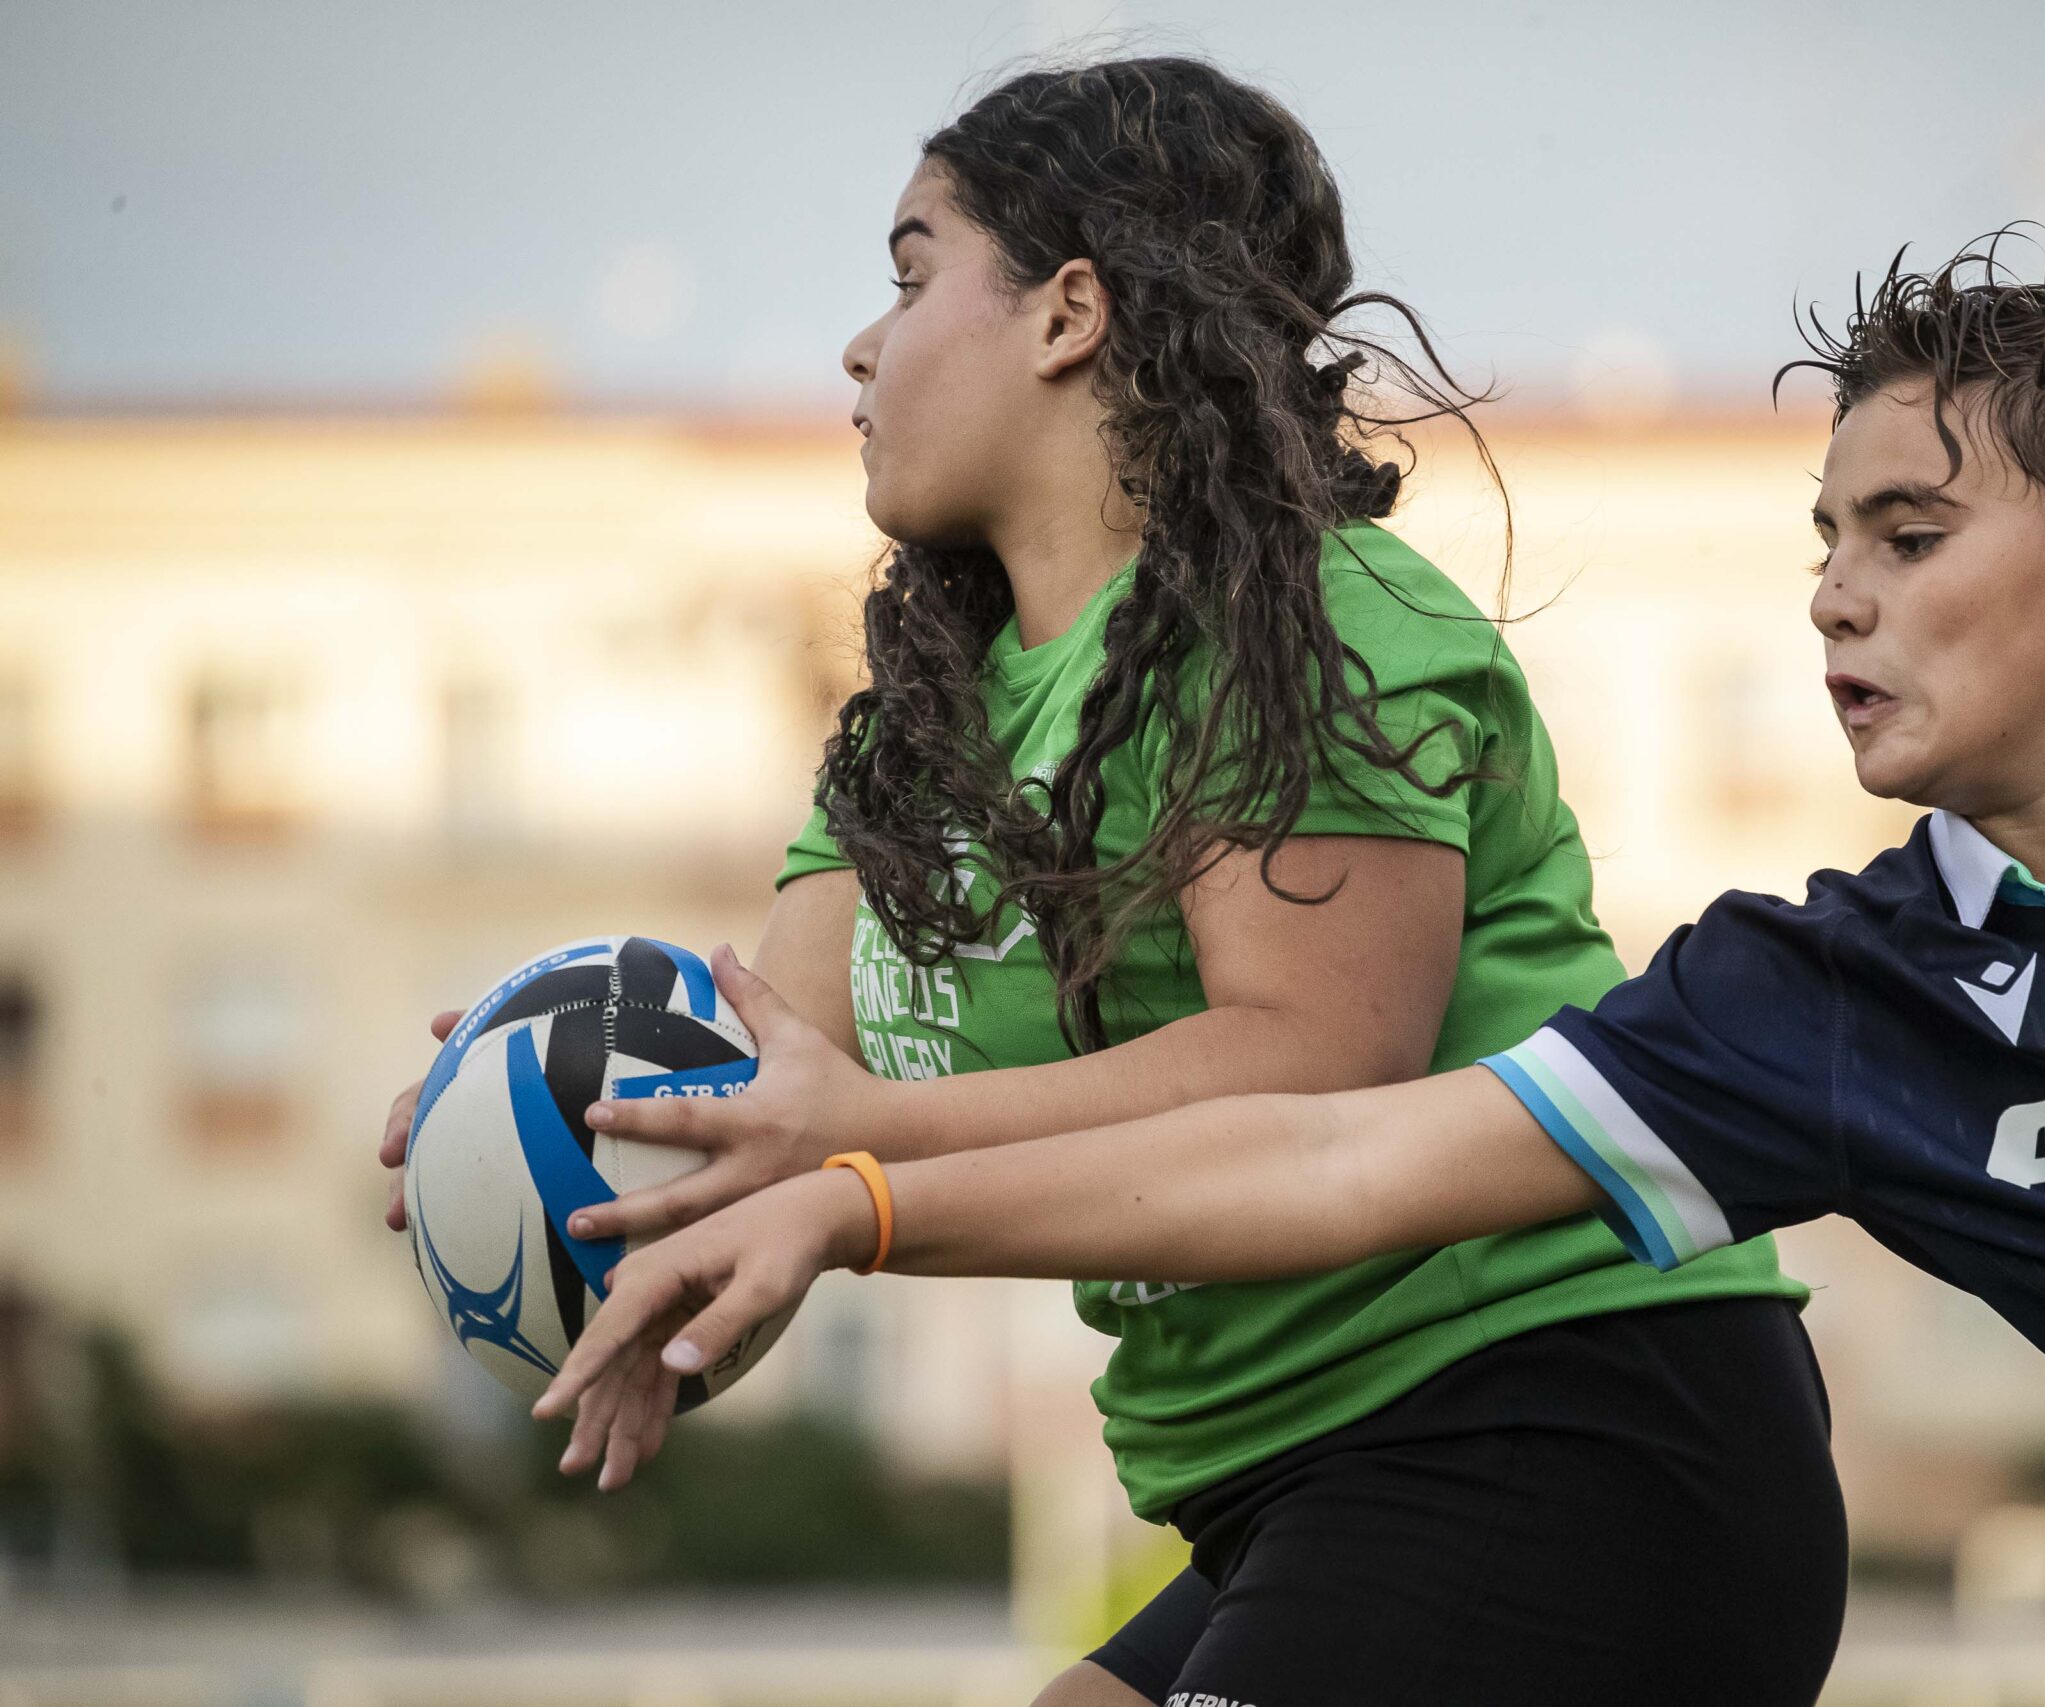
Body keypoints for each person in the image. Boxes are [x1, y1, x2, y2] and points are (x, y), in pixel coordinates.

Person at [539, 244, 2045, 1707]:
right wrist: (855, 1197)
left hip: (1584, 1472)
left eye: (1908, 529)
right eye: (1823, 534)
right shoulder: (1838, 995)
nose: (1831, 588)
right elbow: (1336, 1166)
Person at [382, 56, 1843, 1707]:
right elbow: (781, 1069)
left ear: (1069, 312)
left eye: (913, 273)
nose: (862, 346)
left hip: (1561, 1418)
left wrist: (838, 1166)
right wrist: (545, 1118)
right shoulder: (924, 726)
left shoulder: (1319, 614)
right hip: (1292, 1480)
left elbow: (1313, 1067)